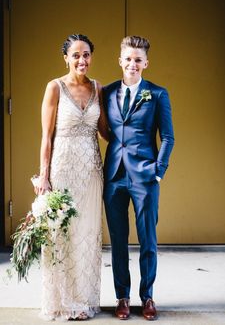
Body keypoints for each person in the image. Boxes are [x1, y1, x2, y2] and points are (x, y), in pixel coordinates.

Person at [34, 34, 108, 321]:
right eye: (76, 55)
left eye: (86, 54)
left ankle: (83, 301)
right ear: (65, 57)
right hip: (63, 167)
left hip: (91, 170)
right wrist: (44, 175)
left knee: (87, 233)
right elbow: (46, 136)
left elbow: (104, 131)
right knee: (60, 235)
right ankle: (61, 302)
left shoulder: (98, 88)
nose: (82, 60)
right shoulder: (55, 87)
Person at [103, 35, 174, 321]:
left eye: (138, 60)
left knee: (148, 240)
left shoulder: (157, 94)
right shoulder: (106, 92)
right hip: (114, 177)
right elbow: (107, 130)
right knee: (118, 241)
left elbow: (168, 137)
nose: (133, 64)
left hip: (145, 177)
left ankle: (148, 298)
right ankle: (122, 296)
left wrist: (158, 172)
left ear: (146, 63)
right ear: (120, 61)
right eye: (128, 59)